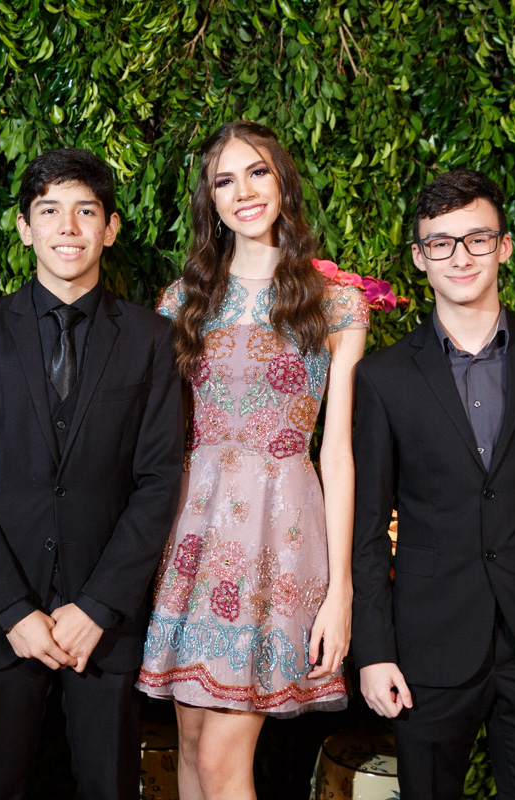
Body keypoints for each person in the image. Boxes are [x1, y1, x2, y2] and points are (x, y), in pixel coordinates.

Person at [137, 120, 395, 799]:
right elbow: (159, 437)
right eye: (225, 180)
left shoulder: (335, 302)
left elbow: (337, 453)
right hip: (191, 535)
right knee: (192, 750)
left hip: (279, 536)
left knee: (221, 762)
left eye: (257, 172)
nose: (244, 192)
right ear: (211, 201)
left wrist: (342, 592)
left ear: (283, 182)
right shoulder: (182, 300)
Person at [0, 148, 183, 800]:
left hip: (105, 629)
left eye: (85, 211)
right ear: (24, 227)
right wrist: (13, 611)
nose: (67, 227)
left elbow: (159, 482)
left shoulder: (152, 340)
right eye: (49, 211)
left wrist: (98, 607)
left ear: (111, 228)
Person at [352, 169, 515, 799]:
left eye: (477, 239)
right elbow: (366, 524)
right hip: (428, 644)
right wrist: (374, 649)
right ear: (419, 257)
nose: (460, 257)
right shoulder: (384, 378)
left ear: (504, 246)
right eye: (441, 243)